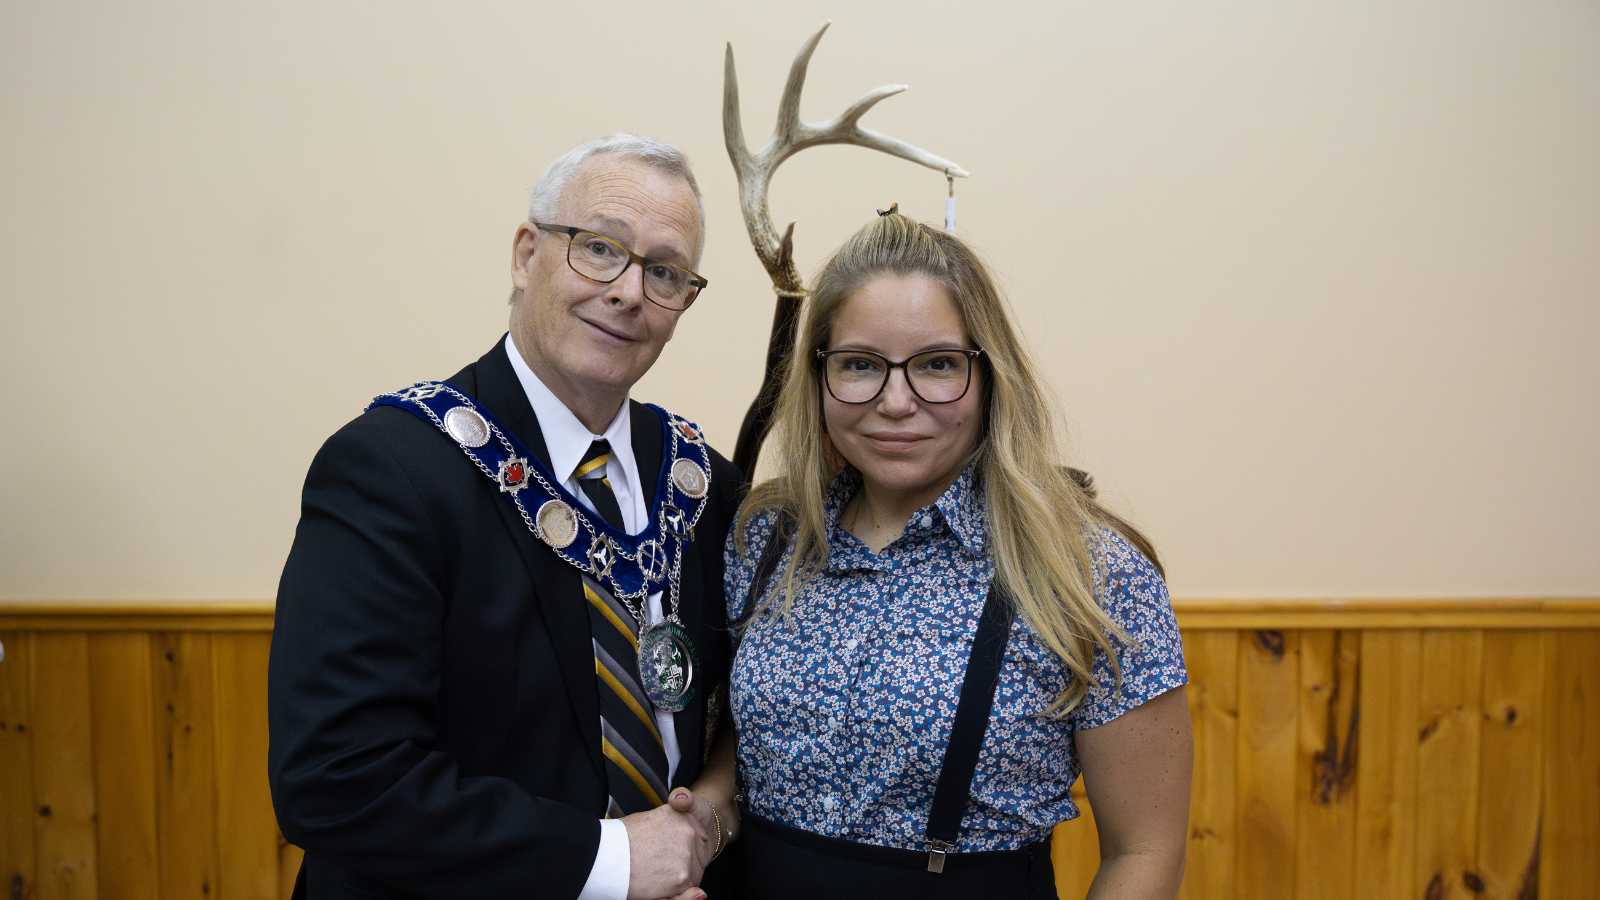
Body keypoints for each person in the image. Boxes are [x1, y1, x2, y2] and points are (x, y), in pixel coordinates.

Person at [269, 133, 744, 900]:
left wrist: (705, 827)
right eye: (599, 248)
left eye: (665, 272)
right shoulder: (392, 469)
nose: (628, 291)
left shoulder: (699, 482)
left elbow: (750, 711)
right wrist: (616, 862)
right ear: (527, 254)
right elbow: (336, 779)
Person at [722, 212, 1193, 898]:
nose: (896, 401)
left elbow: (1144, 849)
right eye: (859, 365)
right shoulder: (762, 541)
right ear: (819, 376)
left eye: (937, 365)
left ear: (990, 372)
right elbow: (724, 751)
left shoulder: (1093, 573)